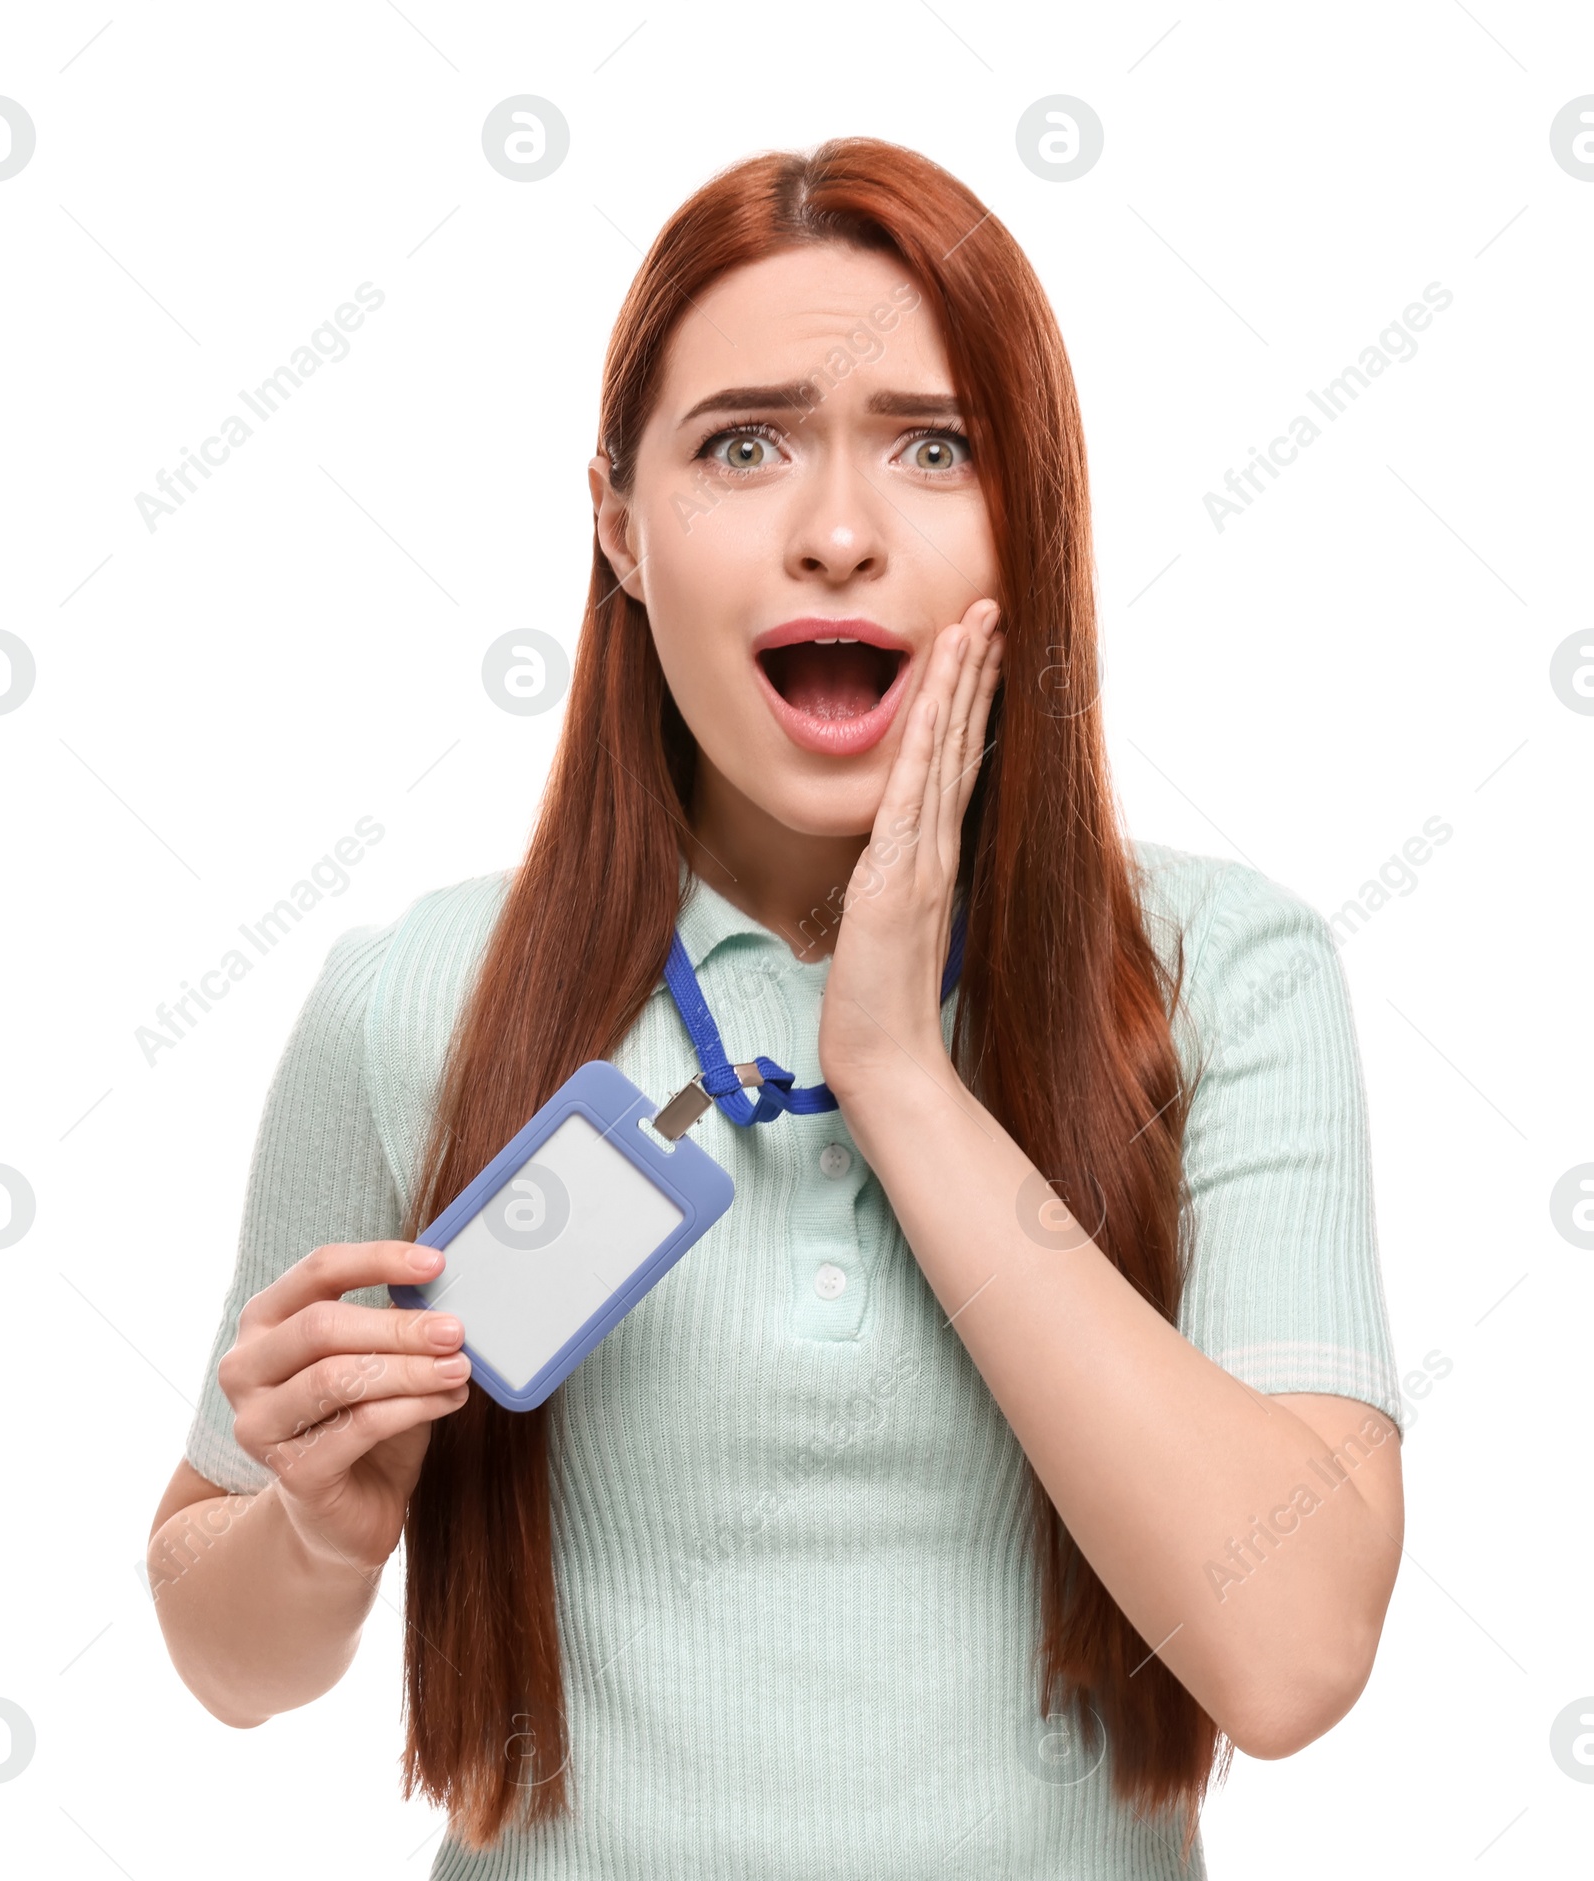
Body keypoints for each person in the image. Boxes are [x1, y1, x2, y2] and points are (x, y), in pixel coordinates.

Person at [147, 137, 1404, 1879]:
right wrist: (318, 1531)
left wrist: (897, 1069)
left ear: (1031, 520)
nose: (835, 532)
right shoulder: (415, 993)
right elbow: (223, 1653)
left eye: (934, 445)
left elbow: (1294, 1654)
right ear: (620, 524)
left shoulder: (1226, 975)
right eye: (744, 445)